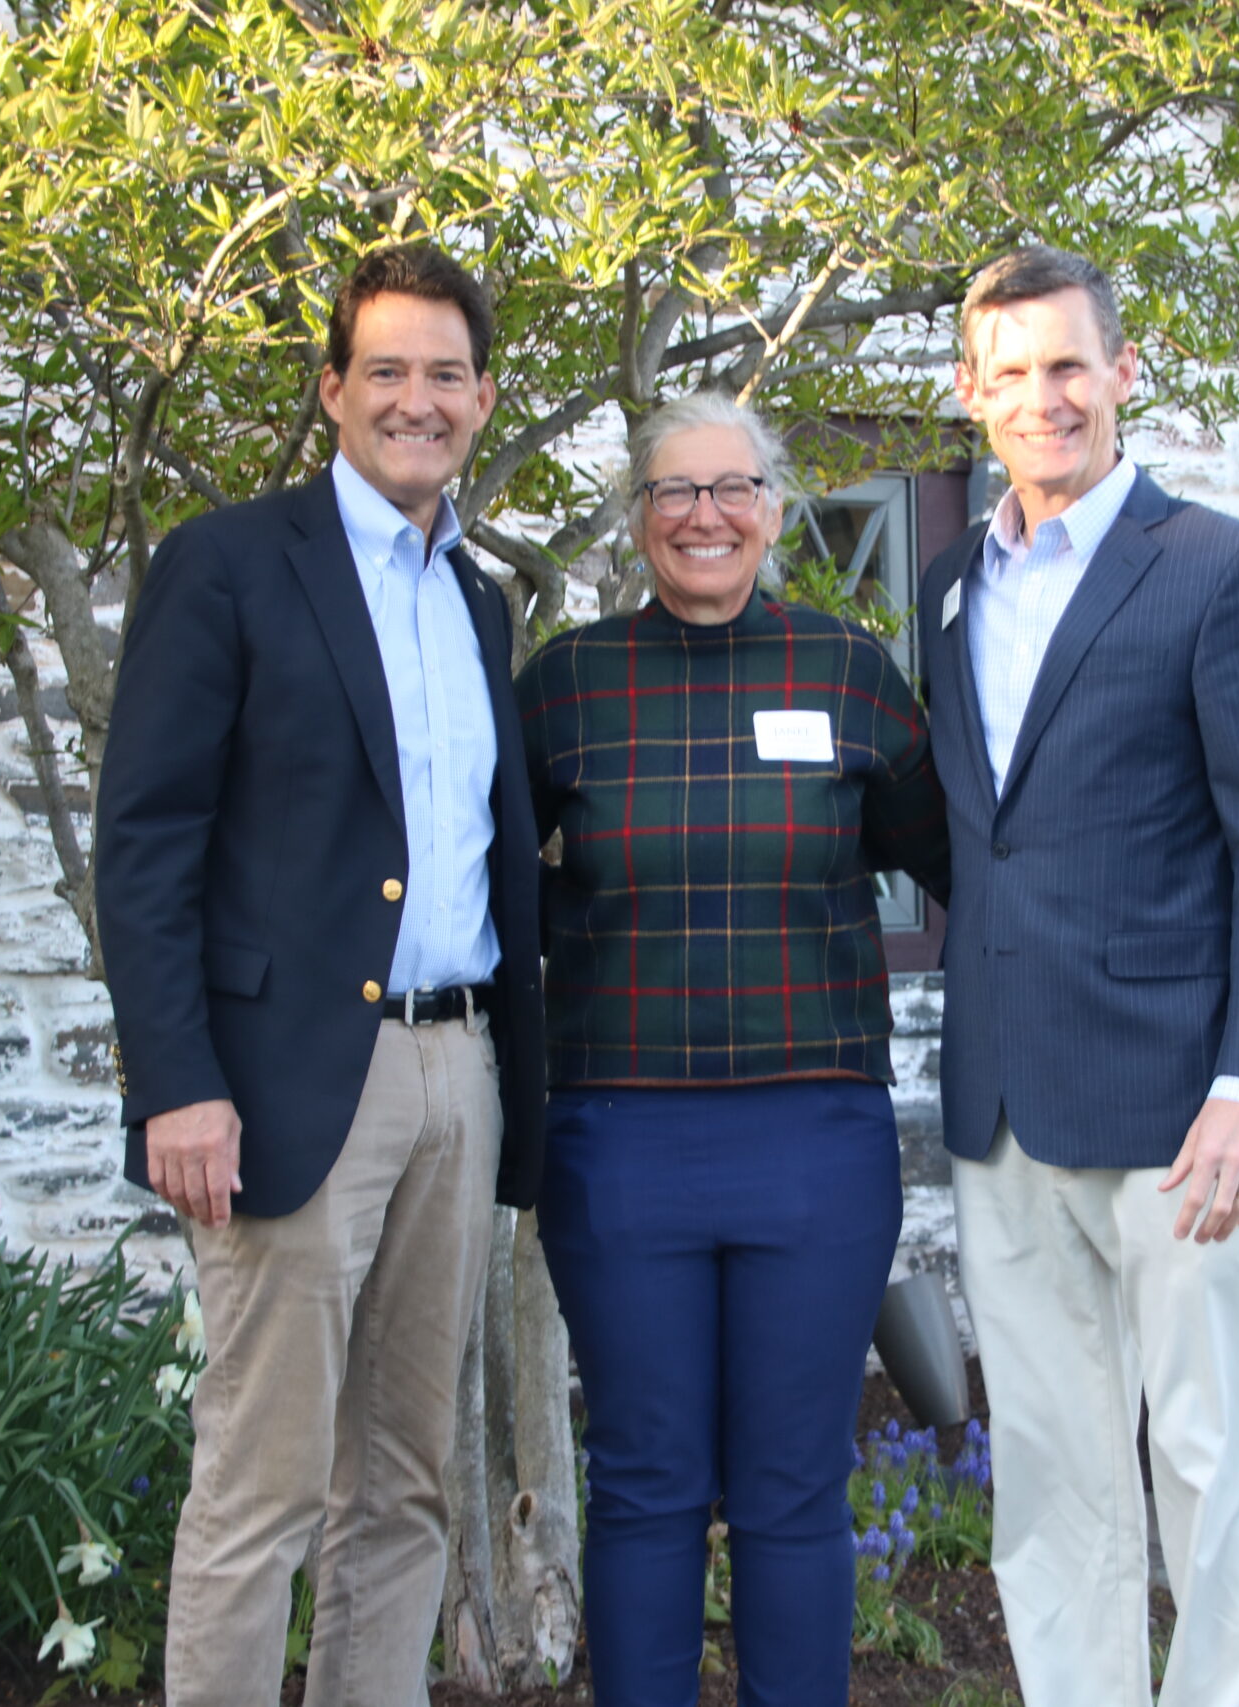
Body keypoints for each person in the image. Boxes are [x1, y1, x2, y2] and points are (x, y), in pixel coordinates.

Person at [93, 242, 546, 1707]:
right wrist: (179, 1084)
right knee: (263, 1487)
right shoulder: (229, 566)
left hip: (455, 1072)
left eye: (448, 374)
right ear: (335, 389)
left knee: (408, 1479)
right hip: (290, 1088)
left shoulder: (479, 602)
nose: (419, 400)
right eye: (390, 371)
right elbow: (147, 841)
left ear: (482, 398)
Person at [916, 246, 1239, 1706]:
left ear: (1125, 372)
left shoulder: (1220, 569)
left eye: (1071, 365)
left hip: (1181, 1120)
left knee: (1218, 1468)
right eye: (1013, 372)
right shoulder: (950, 585)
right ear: (972, 395)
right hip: (1007, 1111)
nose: (1046, 398)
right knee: (1049, 1477)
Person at [512, 391, 950, 1707]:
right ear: (638, 516)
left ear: (774, 506)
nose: (705, 515)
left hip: (812, 1142)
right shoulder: (565, 686)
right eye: (673, 492)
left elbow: (950, 861)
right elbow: (488, 890)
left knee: (793, 1486)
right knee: (646, 1480)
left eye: (733, 487)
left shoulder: (850, 673)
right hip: (622, 1140)